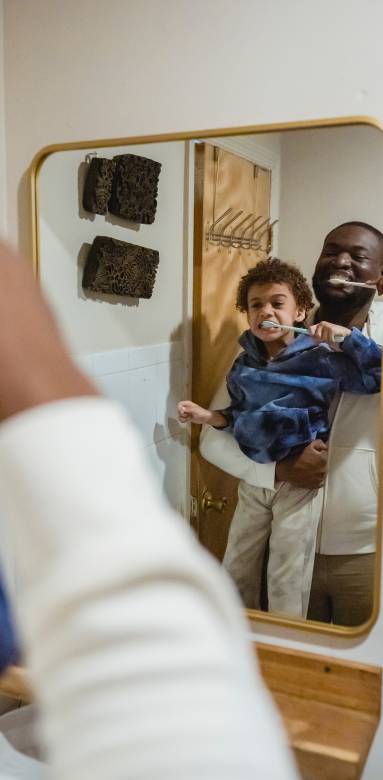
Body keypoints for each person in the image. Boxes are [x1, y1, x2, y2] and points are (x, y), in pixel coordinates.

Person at [0, 239, 298, 780]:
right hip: (258, 488)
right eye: (256, 305)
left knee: (287, 583)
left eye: (278, 303)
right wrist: (221, 426)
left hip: (318, 510)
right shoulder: (242, 361)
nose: (267, 314)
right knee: (240, 566)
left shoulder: (329, 360)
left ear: (300, 309)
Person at [200, 222, 383, 626]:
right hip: (282, 546)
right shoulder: (267, 340)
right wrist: (276, 472)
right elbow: (213, 441)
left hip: (366, 555)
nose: (341, 261)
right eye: (331, 250)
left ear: (379, 280)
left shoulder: (378, 353)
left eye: (358, 256)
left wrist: (350, 343)